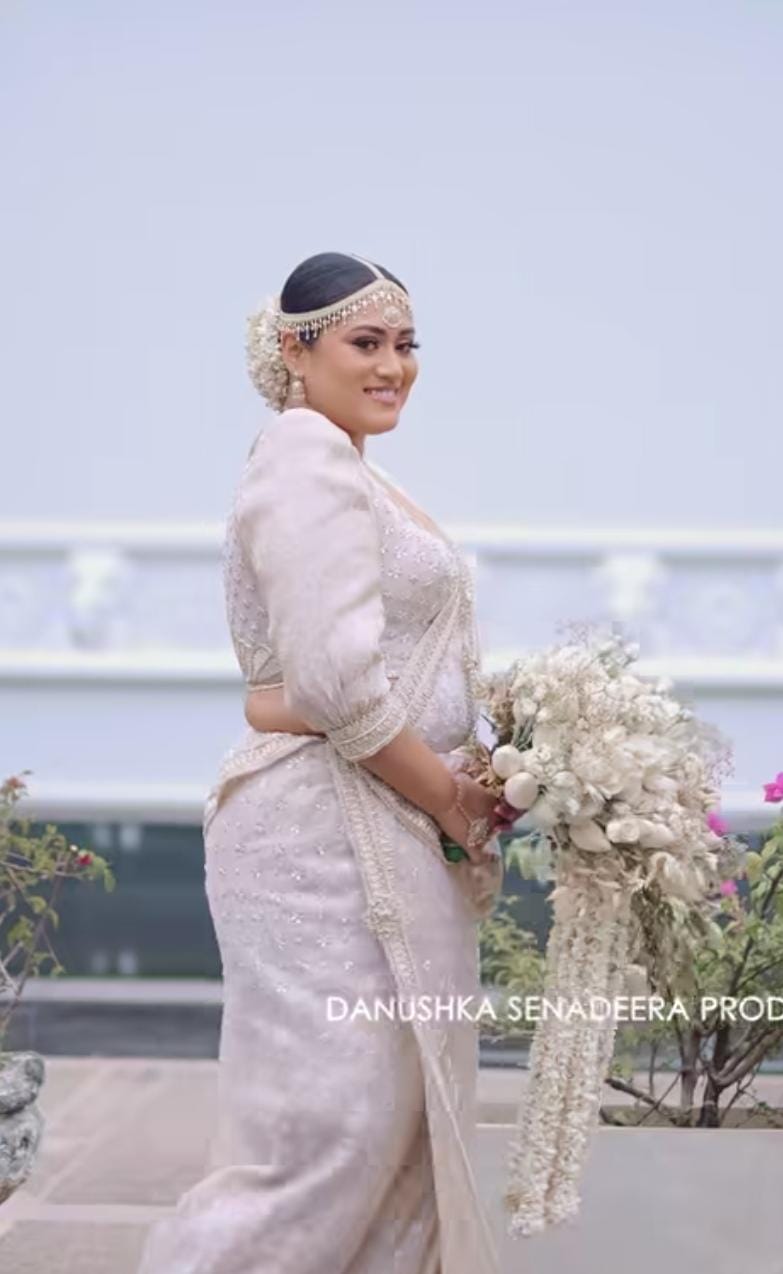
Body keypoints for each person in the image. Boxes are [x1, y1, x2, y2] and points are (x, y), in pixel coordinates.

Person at [136, 251, 507, 1274]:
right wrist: (452, 799)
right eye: (365, 342)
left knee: (392, 1142)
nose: (393, 365)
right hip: (323, 842)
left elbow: (301, 681)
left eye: (406, 343)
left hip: (369, 821)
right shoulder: (305, 451)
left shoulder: (349, 462)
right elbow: (337, 682)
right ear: (295, 351)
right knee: (325, 1140)